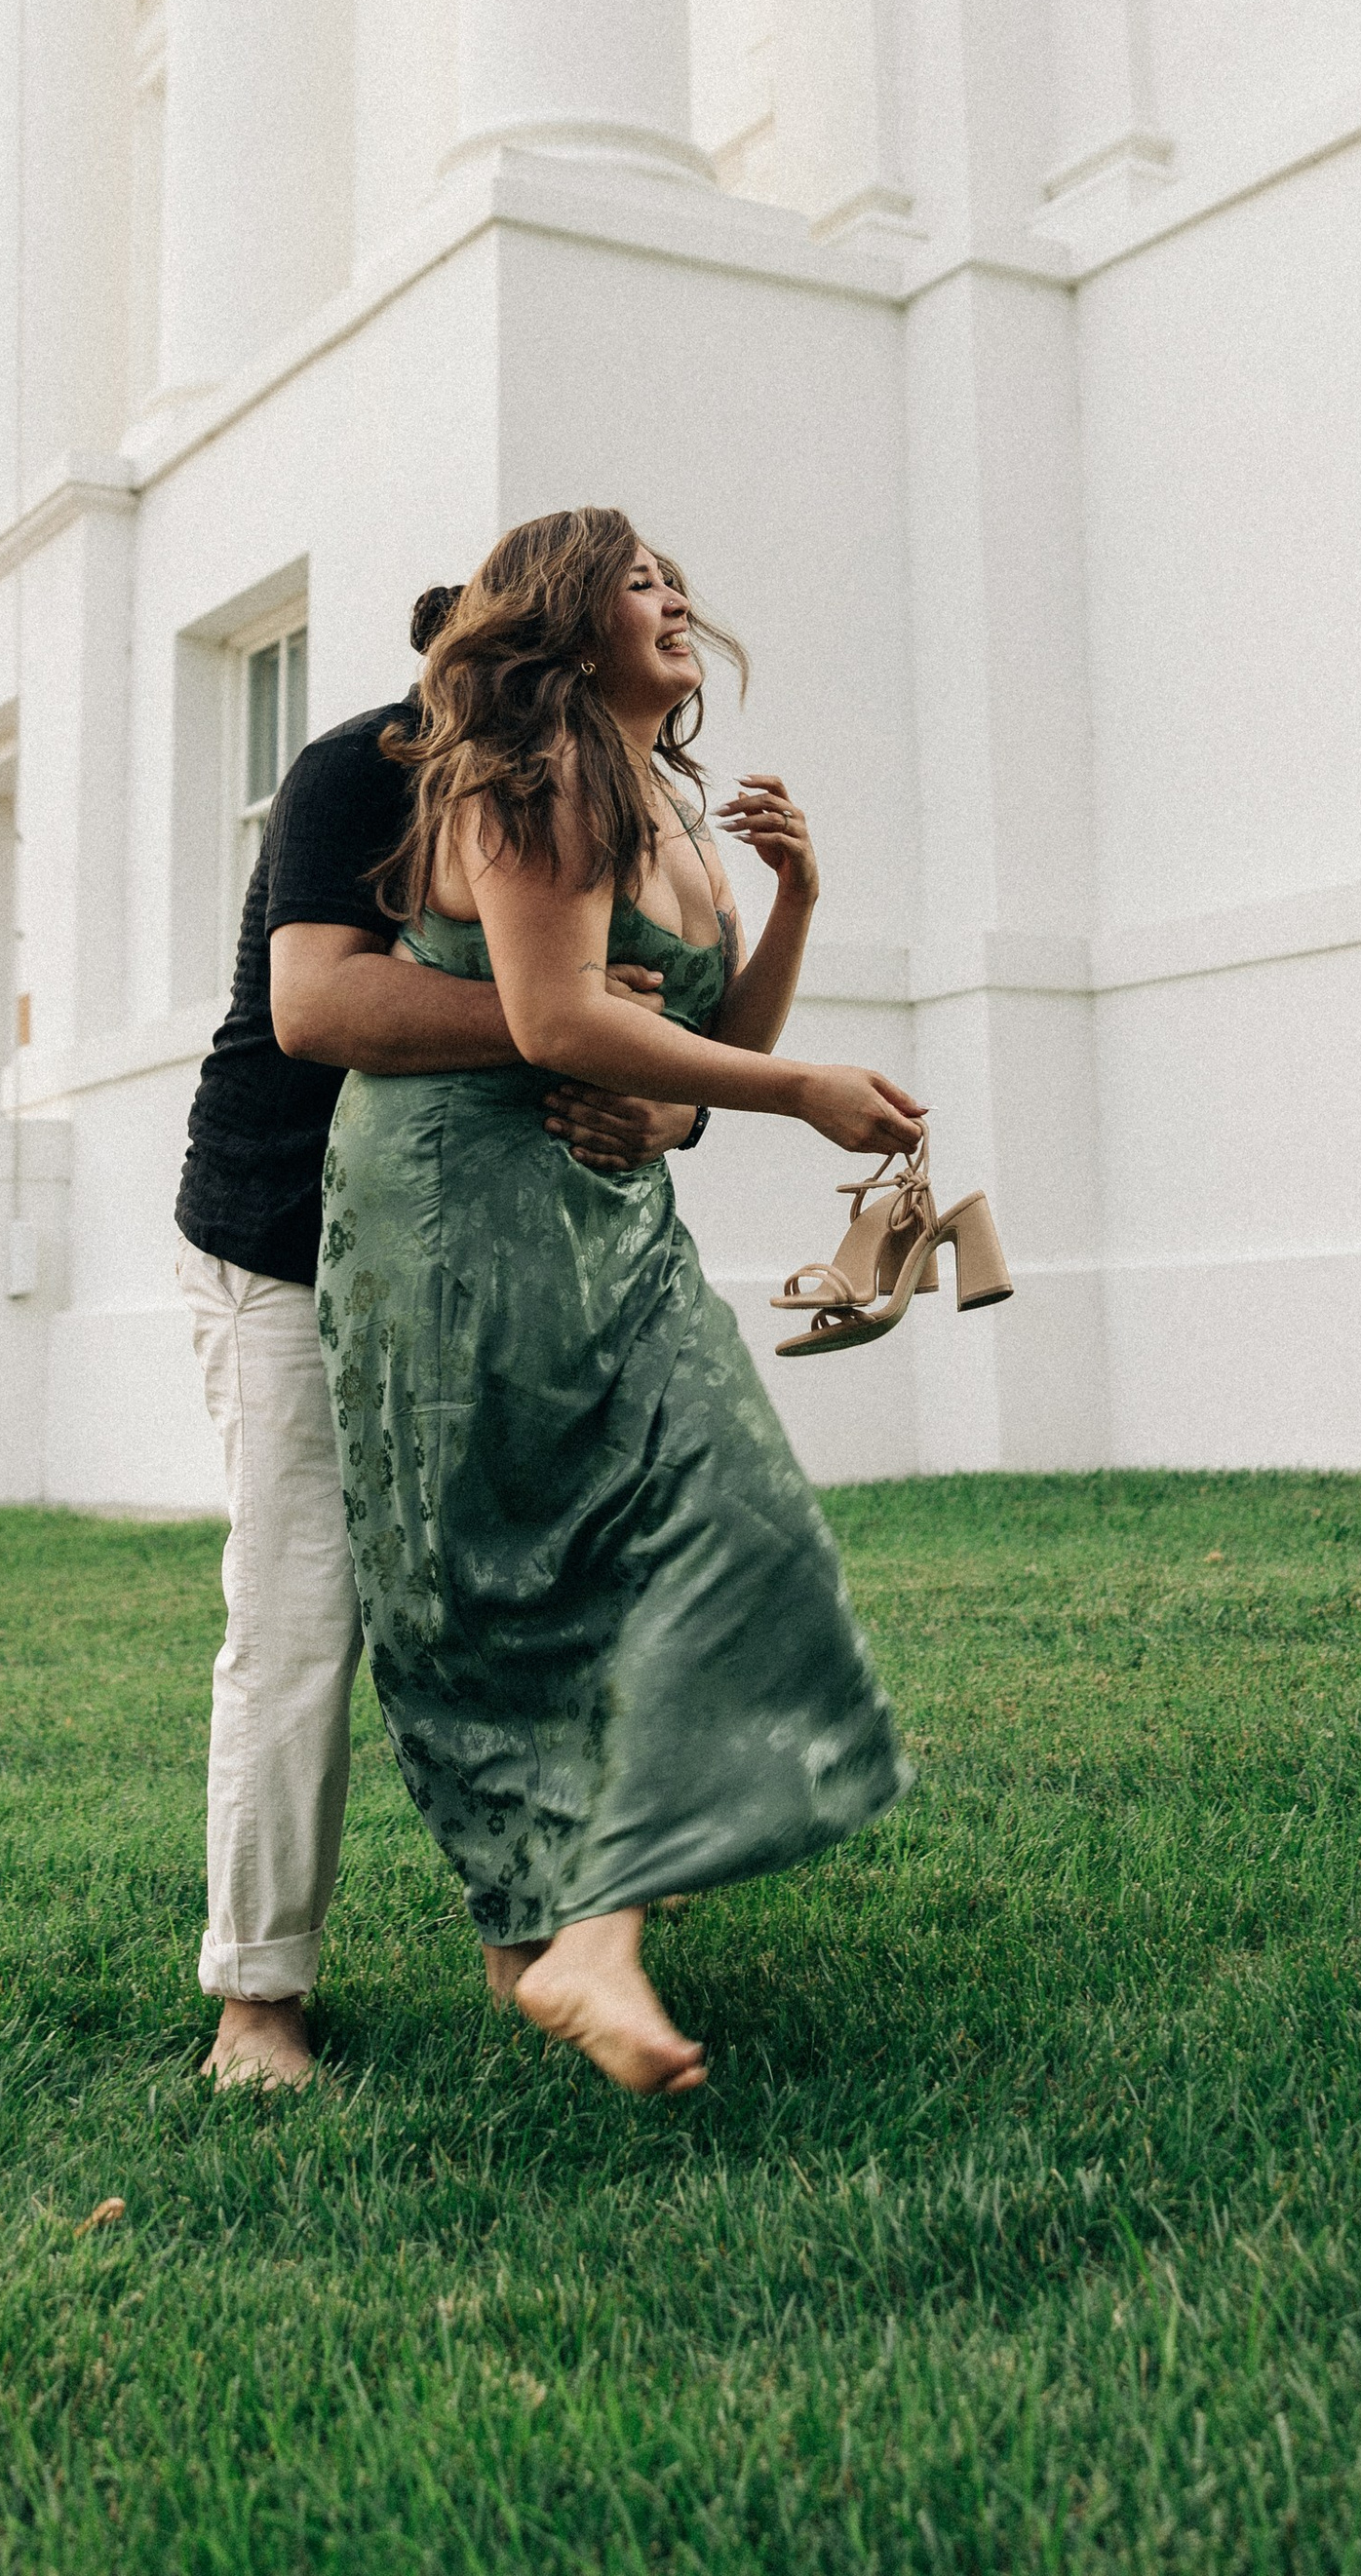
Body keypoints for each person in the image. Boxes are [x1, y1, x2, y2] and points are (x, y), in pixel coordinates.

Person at [319, 508, 925, 2097]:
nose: (670, 599)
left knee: (732, 1520)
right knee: (522, 1571)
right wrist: (800, 1089)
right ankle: (571, 1940)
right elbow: (554, 1013)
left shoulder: (670, 807)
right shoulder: (527, 778)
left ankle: (587, 1936)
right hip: (464, 1215)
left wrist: (793, 905)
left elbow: (705, 1036)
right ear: (567, 629)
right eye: (632, 583)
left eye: (673, 580)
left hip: (612, 1212)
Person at [173, 581, 704, 2091]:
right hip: (283, 1251)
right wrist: (565, 1009)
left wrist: (661, 1094)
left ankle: (533, 1940)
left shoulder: (599, 802)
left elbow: (656, 1054)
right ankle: (257, 2000)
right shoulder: (366, 766)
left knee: (537, 1590)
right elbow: (320, 1004)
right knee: (299, 1620)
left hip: (489, 1263)